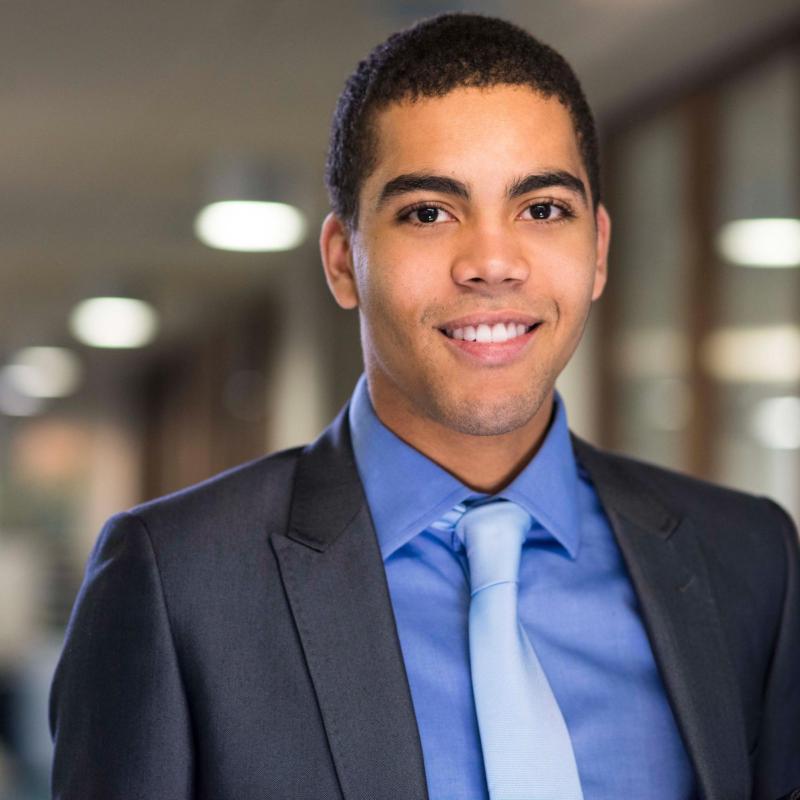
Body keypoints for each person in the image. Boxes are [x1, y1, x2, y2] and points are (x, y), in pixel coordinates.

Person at [49, 12, 800, 800]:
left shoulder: (747, 561)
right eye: (428, 213)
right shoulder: (178, 584)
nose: (492, 263)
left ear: (599, 250)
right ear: (345, 262)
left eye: (542, 209)